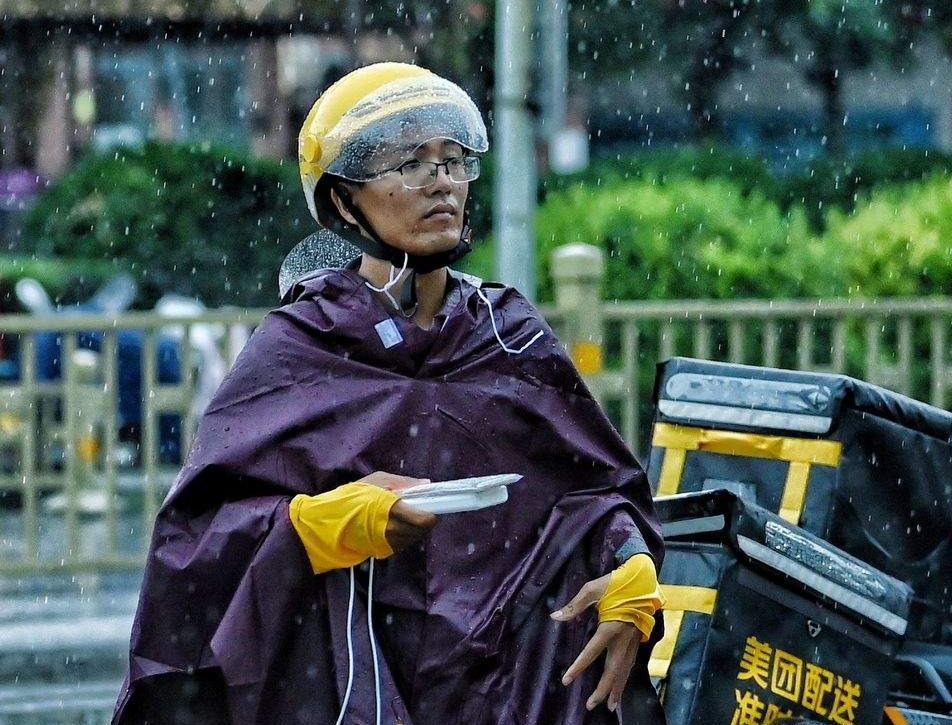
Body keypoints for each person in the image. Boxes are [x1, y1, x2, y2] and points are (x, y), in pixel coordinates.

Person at [111, 62, 665, 725]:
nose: (441, 182)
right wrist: (316, 528)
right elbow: (196, 543)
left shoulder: (512, 335)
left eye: (453, 161)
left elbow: (593, 493)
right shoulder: (295, 349)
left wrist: (630, 562)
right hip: (348, 688)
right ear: (344, 198)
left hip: (507, 691)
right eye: (410, 163)